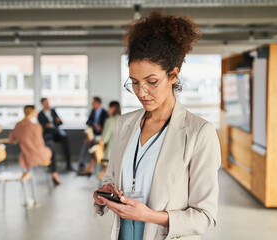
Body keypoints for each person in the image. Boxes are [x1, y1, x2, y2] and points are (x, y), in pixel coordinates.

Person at [93, 12, 221, 240]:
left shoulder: (199, 132)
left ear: (173, 75)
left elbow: (205, 216)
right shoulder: (125, 124)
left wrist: (151, 216)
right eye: (134, 83)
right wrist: (107, 190)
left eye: (151, 82)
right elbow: (111, 177)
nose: (141, 92)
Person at [10, 105, 61, 185]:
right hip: (37, 155)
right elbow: (40, 143)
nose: (37, 112)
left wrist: (23, 139)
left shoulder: (17, 125)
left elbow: (11, 140)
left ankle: (53, 171)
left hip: (25, 155)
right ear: (32, 112)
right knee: (51, 146)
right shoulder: (36, 126)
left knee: (50, 145)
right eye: (36, 111)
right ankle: (54, 173)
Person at [78, 101, 121, 176]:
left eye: (109, 108)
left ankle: (92, 169)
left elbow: (104, 139)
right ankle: (90, 169)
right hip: (121, 152)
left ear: (113, 108)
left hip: (109, 153)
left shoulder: (110, 121)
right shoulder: (124, 119)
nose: (108, 110)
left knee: (95, 148)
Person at [38, 97, 73, 171]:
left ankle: (69, 165)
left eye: (48, 102)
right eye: (45, 103)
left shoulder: (53, 111)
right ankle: (51, 166)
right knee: (50, 145)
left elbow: (60, 122)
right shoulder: (40, 114)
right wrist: (48, 125)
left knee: (65, 138)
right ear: (42, 104)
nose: (47, 104)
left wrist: (53, 123)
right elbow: (42, 127)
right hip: (48, 134)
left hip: (56, 132)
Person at [78, 96, 109, 171]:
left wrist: (100, 127)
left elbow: (107, 126)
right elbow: (88, 122)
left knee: (95, 145)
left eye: (93, 103)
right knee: (85, 144)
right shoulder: (93, 111)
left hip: (101, 136)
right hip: (93, 135)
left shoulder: (105, 113)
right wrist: (95, 124)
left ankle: (95, 166)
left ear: (98, 103)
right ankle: (82, 165)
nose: (92, 105)